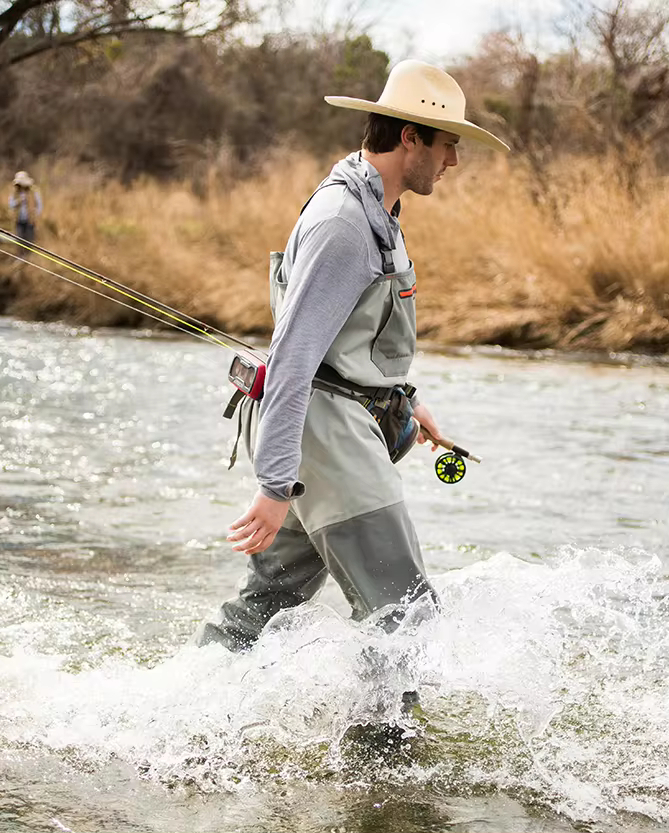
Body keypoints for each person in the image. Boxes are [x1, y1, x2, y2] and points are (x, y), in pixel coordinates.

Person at [198, 60, 509, 664]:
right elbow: (291, 362)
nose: (453, 162)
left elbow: (353, 342)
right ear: (410, 137)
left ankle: (173, 724)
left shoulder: (377, 208)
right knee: (407, 621)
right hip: (326, 446)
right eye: (448, 145)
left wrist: (406, 400)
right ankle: (383, 761)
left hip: (327, 438)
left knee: (259, 613)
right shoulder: (344, 223)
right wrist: (275, 484)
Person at [8, 171, 42, 242]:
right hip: (19, 220)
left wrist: (36, 213)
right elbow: (11, 205)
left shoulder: (33, 192)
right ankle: (20, 252)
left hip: (30, 220)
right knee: (19, 239)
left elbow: (39, 205)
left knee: (30, 240)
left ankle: (29, 252)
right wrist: (19, 201)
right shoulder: (15, 193)